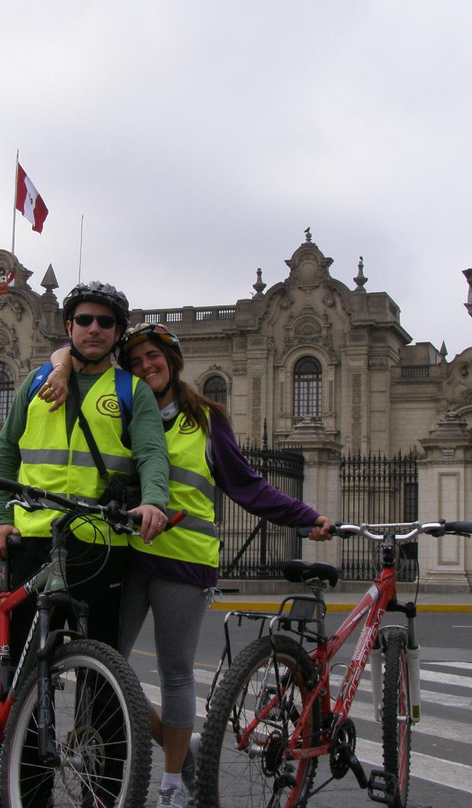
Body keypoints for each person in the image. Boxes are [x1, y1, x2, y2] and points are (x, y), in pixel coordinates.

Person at [43, 322, 331, 808]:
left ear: (172, 361)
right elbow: (72, 354)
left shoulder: (206, 418)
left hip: (184, 562)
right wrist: (62, 363)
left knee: (176, 674)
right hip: (128, 558)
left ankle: (173, 781)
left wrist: (306, 518)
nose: (144, 366)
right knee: (104, 666)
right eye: (134, 362)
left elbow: (247, 485)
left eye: (152, 357)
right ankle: (149, 754)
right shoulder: (125, 408)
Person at [0, 282, 171, 808]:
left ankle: (106, 793)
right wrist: (0, 521)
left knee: (103, 677)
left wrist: (152, 502)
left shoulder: (132, 391)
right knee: (23, 672)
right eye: (84, 319)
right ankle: (24, 790)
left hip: (100, 542)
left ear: (117, 333)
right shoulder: (37, 381)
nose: (94, 328)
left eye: (106, 322)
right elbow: (5, 453)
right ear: (68, 327)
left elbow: (153, 455)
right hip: (33, 542)